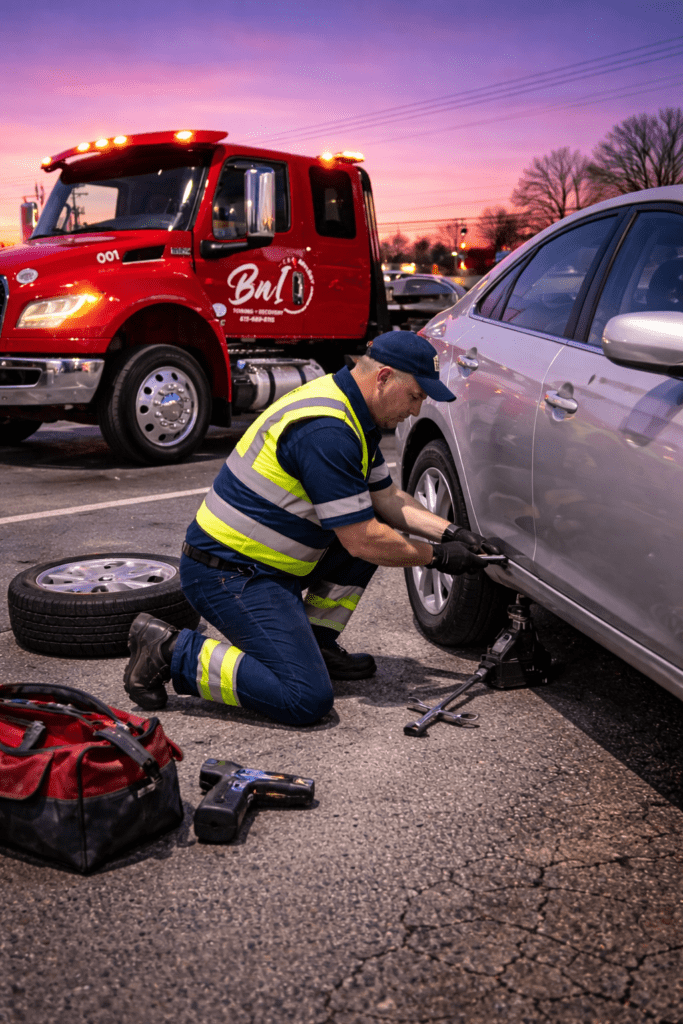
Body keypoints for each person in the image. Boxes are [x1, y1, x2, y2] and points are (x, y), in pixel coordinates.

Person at [123, 331, 500, 727]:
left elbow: (386, 499)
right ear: (384, 377)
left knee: (377, 538)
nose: (418, 408)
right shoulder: (327, 430)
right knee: (304, 697)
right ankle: (170, 650)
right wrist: (438, 558)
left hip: (265, 565)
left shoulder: (355, 413)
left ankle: (315, 645)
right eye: (416, 395)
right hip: (228, 573)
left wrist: (451, 533)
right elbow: (361, 539)